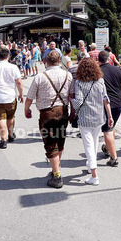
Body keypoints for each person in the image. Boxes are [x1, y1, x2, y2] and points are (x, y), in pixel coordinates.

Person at [23, 50, 73, 188]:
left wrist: (27, 109)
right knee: (60, 141)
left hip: (47, 113)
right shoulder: (68, 75)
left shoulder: (40, 76)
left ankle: (57, 177)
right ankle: (55, 168)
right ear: (59, 61)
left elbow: (30, 96)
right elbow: (72, 94)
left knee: (50, 143)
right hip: (63, 111)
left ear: (45, 62)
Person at [70, 56, 112, 185]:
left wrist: (70, 99)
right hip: (99, 117)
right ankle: (90, 166)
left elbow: (79, 102)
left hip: (85, 119)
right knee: (94, 143)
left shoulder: (79, 83)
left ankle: (94, 175)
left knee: (88, 145)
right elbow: (106, 99)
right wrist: (110, 117)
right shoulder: (100, 81)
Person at [98, 49, 121, 166]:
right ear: (109, 59)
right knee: (112, 125)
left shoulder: (98, 71)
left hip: (106, 104)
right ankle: (108, 148)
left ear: (98, 60)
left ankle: (114, 158)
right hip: (119, 103)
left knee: (107, 130)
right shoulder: (117, 69)